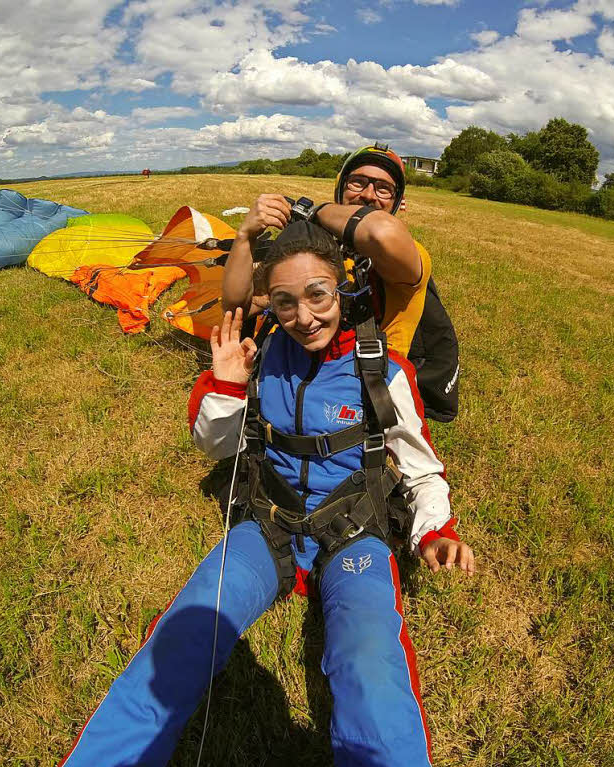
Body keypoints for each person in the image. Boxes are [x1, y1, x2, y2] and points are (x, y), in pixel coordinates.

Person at [59, 222, 474, 767]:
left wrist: (433, 532)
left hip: (354, 536)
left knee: (369, 664)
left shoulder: (381, 369)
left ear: (342, 288)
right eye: (285, 302)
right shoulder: (261, 356)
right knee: (186, 635)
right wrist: (228, 381)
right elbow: (216, 447)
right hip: (268, 525)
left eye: (317, 295)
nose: (304, 317)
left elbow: (422, 469)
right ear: (270, 303)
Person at [222, 143, 459, 422]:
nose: (368, 194)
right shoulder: (324, 254)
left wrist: (311, 211)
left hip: (371, 396)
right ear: (340, 187)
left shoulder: (407, 256)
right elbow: (238, 307)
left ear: (396, 203)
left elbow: (381, 232)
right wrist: (244, 237)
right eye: (357, 182)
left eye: (383, 188)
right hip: (309, 388)